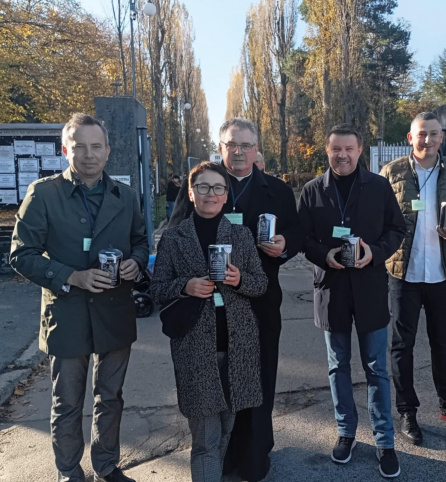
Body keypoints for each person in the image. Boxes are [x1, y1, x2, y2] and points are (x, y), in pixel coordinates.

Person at [9, 113, 148, 482]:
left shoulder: (126, 196)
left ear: (108, 150)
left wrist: (136, 262)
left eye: (96, 146)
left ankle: (106, 465)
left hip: (114, 311)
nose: (89, 155)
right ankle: (69, 471)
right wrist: (72, 276)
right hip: (67, 313)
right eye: (80, 147)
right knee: (67, 402)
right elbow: (20, 255)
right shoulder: (44, 193)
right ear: (65, 149)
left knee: (110, 397)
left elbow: (140, 240)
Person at [169, 117, 302, 481]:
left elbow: (297, 230)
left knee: (258, 378)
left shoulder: (277, 189)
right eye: (232, 145)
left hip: (259, 297)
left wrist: (285, 245)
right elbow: (176, 230)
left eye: (246, 145)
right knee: (217, 380)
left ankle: (255, 453)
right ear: (221, 147)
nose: (239, 152)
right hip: (207, 302)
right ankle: (219, 457)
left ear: (257, 149)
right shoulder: (204, 183)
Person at [297, 124, 406, 478]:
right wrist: (324, 254)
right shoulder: (313, 191)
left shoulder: (378, 186)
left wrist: (374, 252)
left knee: (377, 369)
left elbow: (397, 230)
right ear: (326, 152)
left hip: (371, 289)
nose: (342, 155)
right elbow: (303, 237)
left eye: (348, 149)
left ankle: (385, 441)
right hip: (332, 291)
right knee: (337, 367)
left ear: (360, 150)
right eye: (335, 149)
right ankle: (346, 432)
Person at [149, 161, 267, 481]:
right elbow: (157, 289)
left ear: (226, 195)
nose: (210, 194)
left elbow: (260, 284)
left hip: (236, 347)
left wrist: (239, 278)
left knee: (226, 429)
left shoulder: (241, 235)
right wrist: (185, 286)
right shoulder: (174, 238)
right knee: (205, 440)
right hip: (195, 349)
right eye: (203, 187)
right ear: (191, 192)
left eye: (217, 188)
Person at [379, 111, 446, 445]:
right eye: (422, 134)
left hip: (443, 273)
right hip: (402, 274)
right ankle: (407, 411)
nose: (428, 140)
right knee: (401, 346)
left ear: (442, 137)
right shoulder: (391, 173)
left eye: (434, 134)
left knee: (443, 346)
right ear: (411, 138)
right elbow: (379, 219)